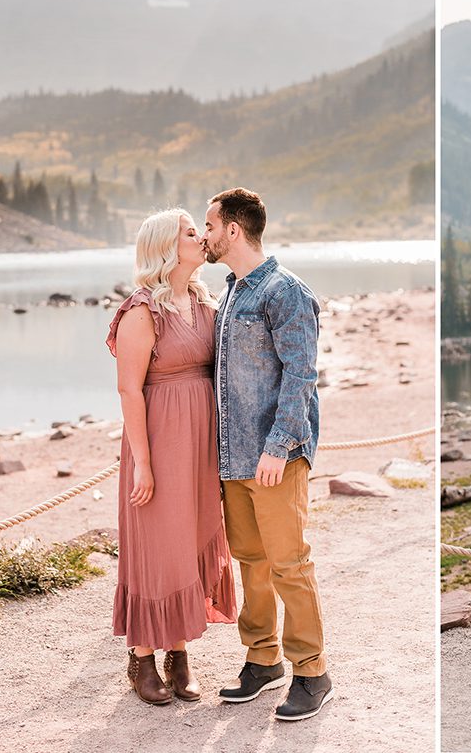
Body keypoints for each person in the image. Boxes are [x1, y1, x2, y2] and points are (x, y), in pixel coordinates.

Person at [200, 186, 333, 721]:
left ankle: (313, 672)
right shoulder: (230, 292)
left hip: (275, 457)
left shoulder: (285, 292)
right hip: (233, 457)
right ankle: (262, 660)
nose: (205, 235)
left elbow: (301, 377)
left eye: (209, 226)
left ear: (233, 229)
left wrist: (279, 448)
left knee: (289, 564)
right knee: (250, 563)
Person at [107, 208, 237, 706]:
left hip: (200, 446)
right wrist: (142, 461)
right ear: (167, 245)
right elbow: (128, 390)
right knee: (157, 544)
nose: (202, 237)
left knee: (188, 539)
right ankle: (141, 655)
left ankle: (178, 653)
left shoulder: (205, 303)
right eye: (191, 232)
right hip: (159, 441)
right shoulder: (142, 310)